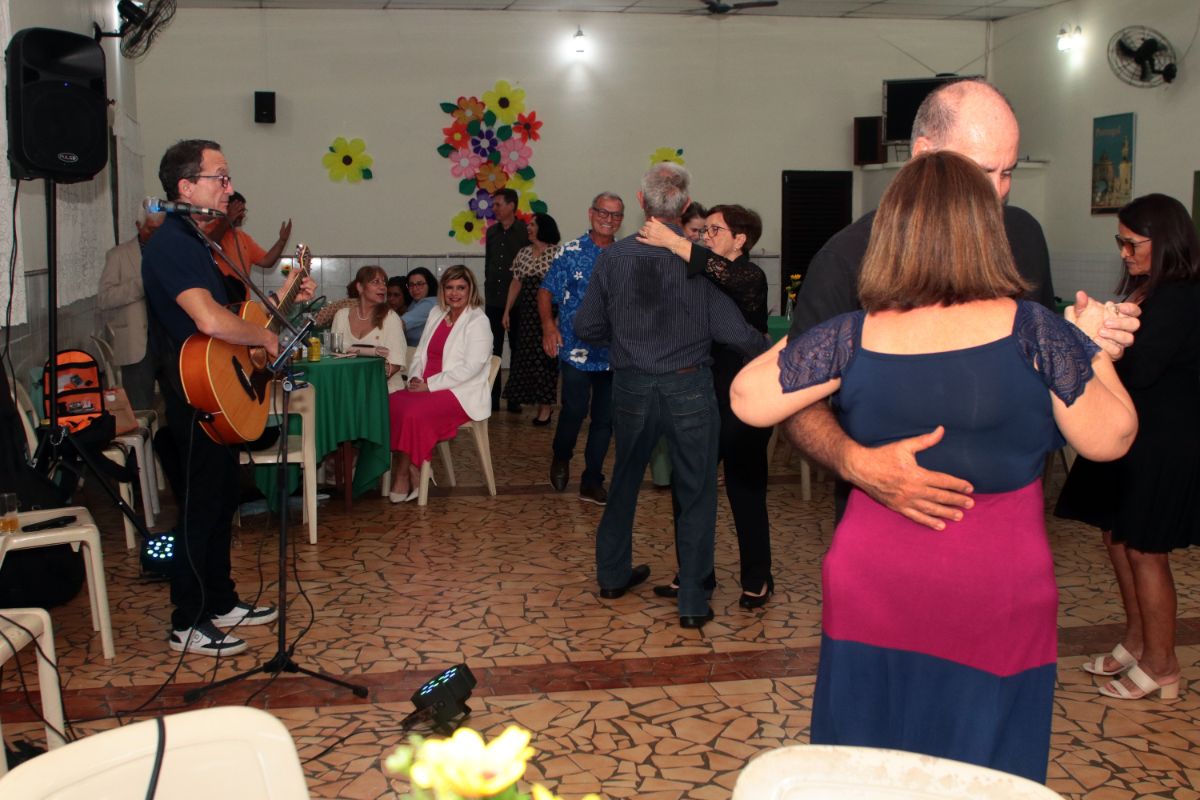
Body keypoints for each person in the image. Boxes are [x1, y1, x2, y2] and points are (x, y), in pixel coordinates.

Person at [730, 151, 1136, 782]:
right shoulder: (1035, 332)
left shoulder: (854, 334)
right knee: (984, 770)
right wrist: (1091, 346)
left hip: (873, 579)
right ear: (986, 231)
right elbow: (1113, 437)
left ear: (892, 234)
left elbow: (747, 398)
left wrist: (826, 333)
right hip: (994, 584)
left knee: (863, 764)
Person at [785, 77, 1141, 529]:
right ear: (923, 155)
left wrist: (1086, 345)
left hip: (1006, 521)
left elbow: (1044, 373)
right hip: (889, 519)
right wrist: (856, 463)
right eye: (981, 170)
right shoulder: (847, 257)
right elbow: (794, 402)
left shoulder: (1023, 236)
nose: (997, 191)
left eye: (1007, 172)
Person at [574, 163, 767, 630]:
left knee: (624, 481)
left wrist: (625, 340)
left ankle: (612, 576)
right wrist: (775, 354)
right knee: (696, 490)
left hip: (632, 385)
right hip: (689, 387)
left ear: (640, 202)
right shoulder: (697, 263)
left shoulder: (613, 259)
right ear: (685, 206)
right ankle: (693, 602)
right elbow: (736, 333)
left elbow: (586, 326)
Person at [142, 139, 315, 656]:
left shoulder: (198, 242)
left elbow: (233, 317)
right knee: (199, 508)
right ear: (186, 186)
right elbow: (208, 320)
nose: (229, 187)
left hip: (216, 388)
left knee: (221, 502)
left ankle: (219, 600)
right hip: (193, 393)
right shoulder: (172, 244)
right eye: (219, 177)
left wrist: (284, 300)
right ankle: (188, 621)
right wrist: (265, 337)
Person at [1055, 193, 1200, 702]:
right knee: (1117, 538)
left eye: (1132, 243)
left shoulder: (1181, 296)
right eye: (1120, 241)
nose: (1123, 252)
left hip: (1163, 442)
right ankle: (1138, 642)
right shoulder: (1147, 289)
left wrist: (1095, 344)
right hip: (1134, 436)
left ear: (1165, 241)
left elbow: (1140, 370)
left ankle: (1163, 665)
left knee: (1145, 550)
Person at [638, 205, 773, 608]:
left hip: (746, 396)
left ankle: (757, 577)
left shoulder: (749, 275)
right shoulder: (700, 271)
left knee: (744, 487)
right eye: (705, 229)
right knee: (689, 485)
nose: (707, 236)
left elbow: (724, 275)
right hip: (699, 392)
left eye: (716, 230)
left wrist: (673, 241)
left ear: (740, 239)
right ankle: (694, 574)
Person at [540, 193, 624, 506]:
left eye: (616, 215)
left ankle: (591, 480)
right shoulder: (570, 251)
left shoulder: (625, 255)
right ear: (591, 213)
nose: (609, 219)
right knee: (574, 410)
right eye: (603, 212)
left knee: (605, 419)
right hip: (574, 347)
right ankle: (561, 456)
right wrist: (549, 327)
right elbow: (546, 291)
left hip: (613, 352)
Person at [387, 265, 492, 502]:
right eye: (449, 288)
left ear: (470, 290)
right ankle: (415, 470)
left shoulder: (478, 321)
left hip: (459, 391)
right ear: (442, 291)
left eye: (460, 288)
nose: (454, 293)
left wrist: (430, 385)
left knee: (412, 413)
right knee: (391, 403)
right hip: (425, 385)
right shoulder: (436, 313)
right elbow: (420, 353)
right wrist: (415, 377)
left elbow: (471, 368)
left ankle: (404, 473)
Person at [649, 205, 707, 489]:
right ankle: (663, 476)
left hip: (691, 353)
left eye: (704, 231)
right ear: (679, 228)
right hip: (661, 348)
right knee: (661, 420)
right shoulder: (660, 256)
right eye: (695, 230)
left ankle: (685, 475)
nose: (699, 237)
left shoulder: (701, 260)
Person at [97, 203, 164, 409]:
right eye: (151, 230)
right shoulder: (118, 255)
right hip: (137, 345)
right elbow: (104, 299)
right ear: (138, 226)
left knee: (177, 407)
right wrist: (140, 285)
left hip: (169, 342)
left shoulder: (171, 252)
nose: (156, 235)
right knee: (140, 408)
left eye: (160, 230)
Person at [502, 213, 562, 426]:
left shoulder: (558, 254)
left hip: (549, 316)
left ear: (543, 227)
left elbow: (564, 287)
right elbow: (516, 283)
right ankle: (535, 403)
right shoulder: (523, 253)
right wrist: (507, 310)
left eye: (533, 224)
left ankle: (546, 408)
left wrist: (558, 320)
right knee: (527, 360)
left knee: (547, 360)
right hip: (527, 316)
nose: (528, 227)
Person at [484, 188, 530, 412]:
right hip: (494, 300)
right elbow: (489, 263)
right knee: (492, 349)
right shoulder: (492, 232)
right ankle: (492, 399)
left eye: (498, 204)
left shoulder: (524, 231)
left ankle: (514, 398)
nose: (494, 209)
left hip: (518, 301)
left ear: (512, 206)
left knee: (517, 349)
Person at [202, 191, 292, 301]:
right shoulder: (208, 230)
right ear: (226, 209)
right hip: (218, 302)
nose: (243, 215)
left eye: (244, 211)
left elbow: (267, 261)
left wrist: (282, 241)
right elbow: (210, 245)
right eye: (239, 211)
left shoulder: (243, 237)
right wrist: (228, 219)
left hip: (241, 302)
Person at [330, 265, 407, 392]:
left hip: (383, 389)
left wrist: (363, 386)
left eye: (384, 283)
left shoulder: (391, 317)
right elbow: (333, 356)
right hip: (347, 386)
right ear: (360, 287)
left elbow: (395, 365)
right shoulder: (341, 316)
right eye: (375, 282)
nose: (383, 287)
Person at [401, 267, 438, 347]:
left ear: (430, 284)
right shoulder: (415, 302)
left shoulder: (429, 303)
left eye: (420, 284)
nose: (415, 288)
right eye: (411, 285)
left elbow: (400, 324)